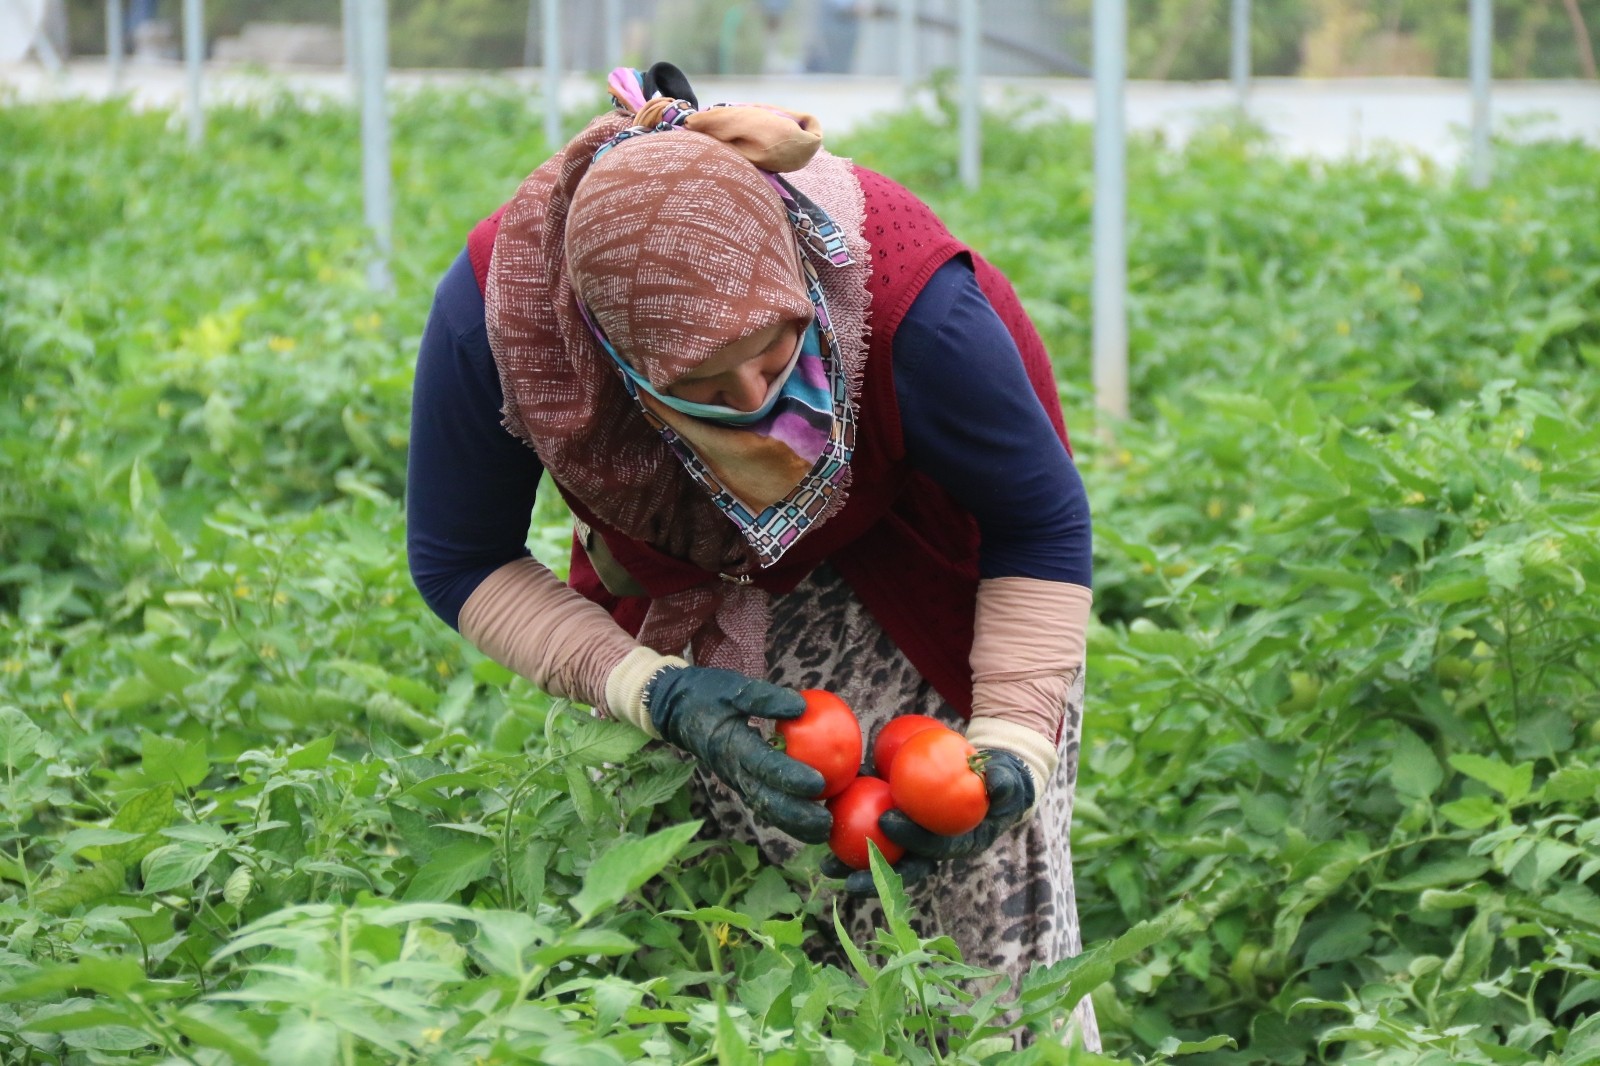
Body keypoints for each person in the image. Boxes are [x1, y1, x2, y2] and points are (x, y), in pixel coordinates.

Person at [406, 62, 1098, 1047]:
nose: (754, 402)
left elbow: (1037, 527)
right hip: (692, 594)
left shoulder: (914, 306)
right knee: (719, 957)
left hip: (928, 577)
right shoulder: (502, 323)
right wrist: (655, 690)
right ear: (604, 350)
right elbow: (459, 558)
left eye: (776, 354)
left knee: (968, 960)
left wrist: (1012, 745)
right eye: (699, 382)